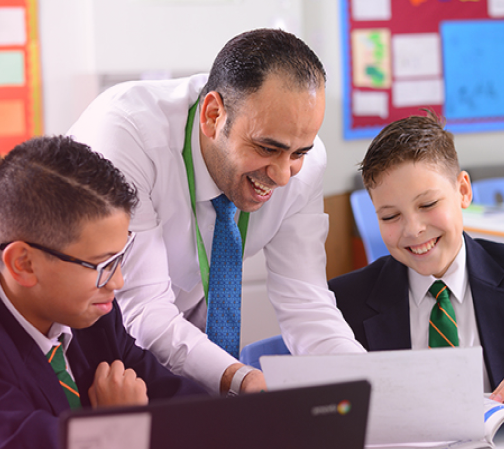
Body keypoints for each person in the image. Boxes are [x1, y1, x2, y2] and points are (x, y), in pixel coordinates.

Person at [68, 28, 365, 396]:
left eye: (299, 153)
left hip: (190, 349)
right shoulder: (127, 135)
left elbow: (306, 301)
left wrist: (365, 380)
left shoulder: (302, 161)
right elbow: (142, 309)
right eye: (267, 148)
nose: (283, 175)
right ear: (212, 116)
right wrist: (243, 380)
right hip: (97, 354)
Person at [0, 135, 206, 449]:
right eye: (102, 264)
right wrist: (120, 422)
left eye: (122, 257)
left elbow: (185, 407)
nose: (118, 282)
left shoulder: (94, 313)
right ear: (23, 264)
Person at [328, 111, 504, 401]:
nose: (413, 230)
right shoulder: (344, 303)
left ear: (463, 191)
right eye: (390, 216)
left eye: (428, 204)